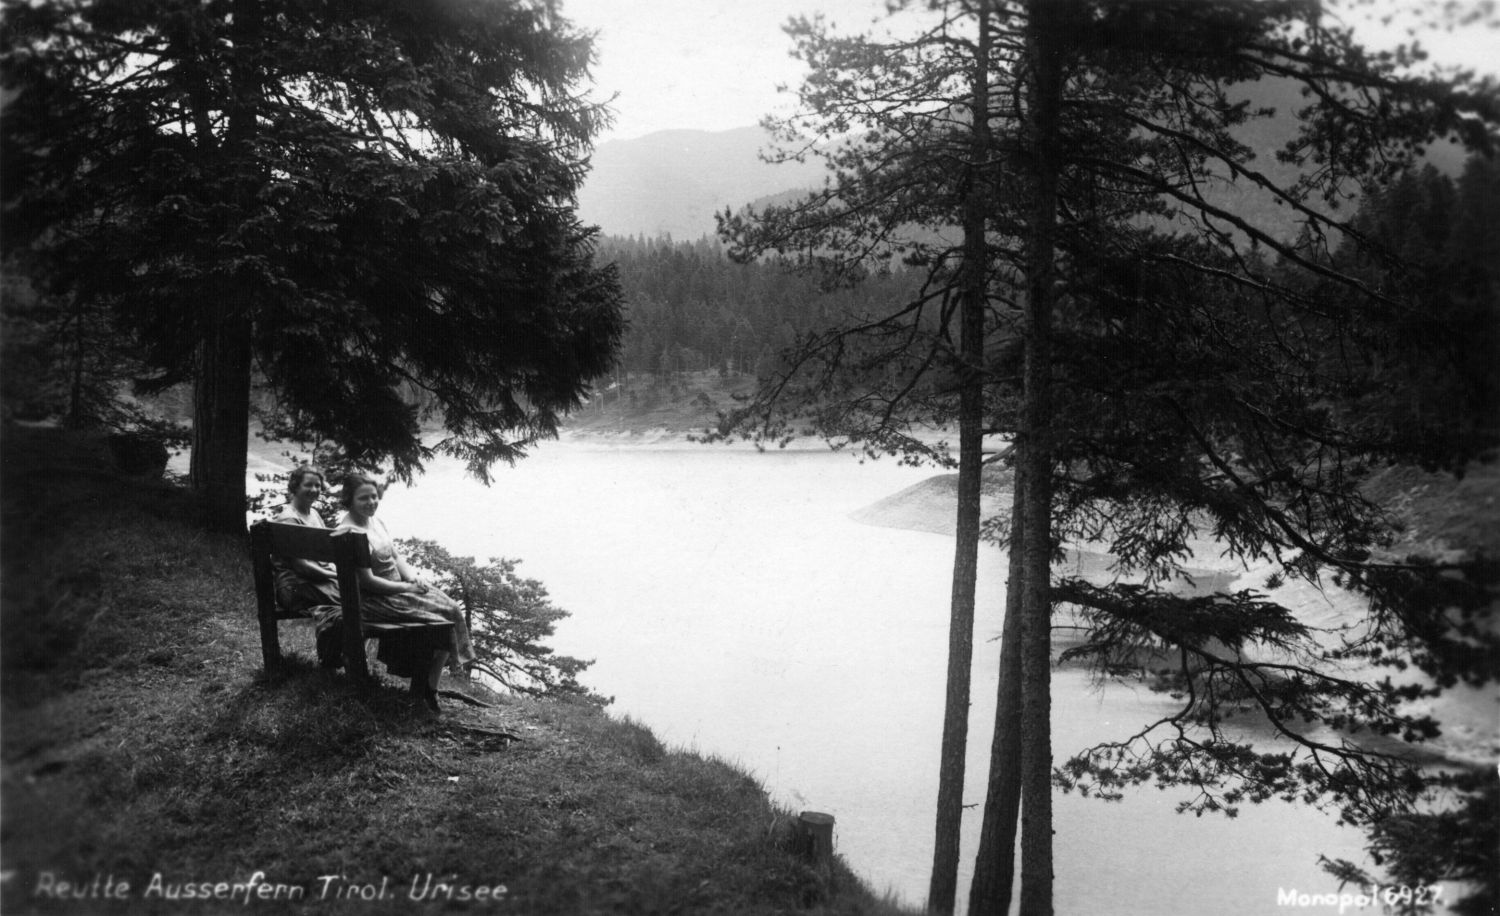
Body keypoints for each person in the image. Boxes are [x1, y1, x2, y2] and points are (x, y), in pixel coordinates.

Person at [334, 473, 477, 712]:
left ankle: (429, 687)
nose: (371, 502)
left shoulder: (375, 521)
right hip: (374, 600)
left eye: (373, 496)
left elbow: (396, 556)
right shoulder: (350, 533)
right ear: (349, 499)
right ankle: (426, 691)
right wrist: (406, 587)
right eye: (363, 499)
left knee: (451, 607)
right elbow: (368, 582)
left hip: (397, 590)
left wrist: (412, 577)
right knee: (442, 617)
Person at [271, 466, 341, 614]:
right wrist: (336, 575)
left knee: (361, 592)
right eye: (308, 485)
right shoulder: (289, 519)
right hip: (295, 588)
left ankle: (336, 634)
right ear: (295, 487)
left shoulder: (314, 514)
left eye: (317, 485)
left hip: (316, 582)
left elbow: (325, 554)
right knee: (355, 599)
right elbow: (302, 567)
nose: (314, 489)